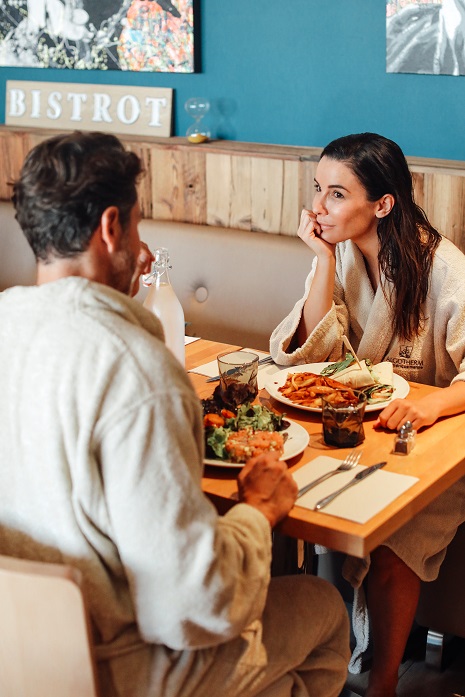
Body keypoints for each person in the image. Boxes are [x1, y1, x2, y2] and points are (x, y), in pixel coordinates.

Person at [0, 130, 350, 697]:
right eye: (137, 227)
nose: (141, 251)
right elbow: (191, 606)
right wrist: (257, 513)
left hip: (15, 659)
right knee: (325, 610)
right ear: (111, 226)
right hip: (118, 670)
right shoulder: (135, 367)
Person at [270, 132, 465, 697]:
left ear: (382, 204)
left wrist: (430, 403)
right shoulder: (344, 254)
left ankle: (381, 685)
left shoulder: (444, 268)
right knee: (279, 497)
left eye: (336, 194)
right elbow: (310, 351)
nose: (319, 208)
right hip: (360, 429)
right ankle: (306, 661)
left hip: (438, 438)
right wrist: (324, 260)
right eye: (317, 190)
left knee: (393, 540)